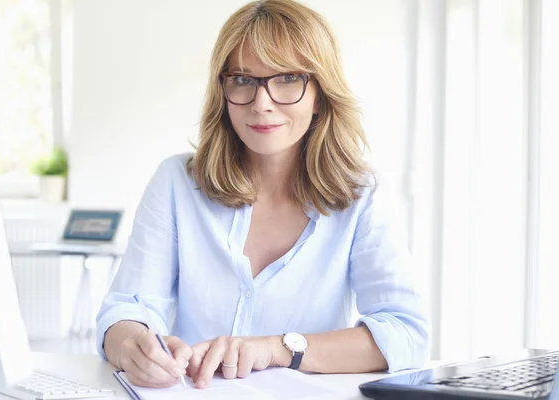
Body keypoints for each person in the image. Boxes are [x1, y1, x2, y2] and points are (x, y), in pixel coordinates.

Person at [96, 0, 430, 390]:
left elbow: (405, 333)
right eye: (242, 79)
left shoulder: (361, 196)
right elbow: (126, 308)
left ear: (320, 93)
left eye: (287, 79)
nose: (262, 103)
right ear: (222, 90)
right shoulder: (176, 182)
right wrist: (132, 345)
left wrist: (278, 348)